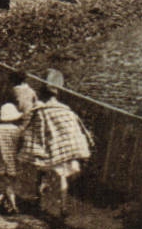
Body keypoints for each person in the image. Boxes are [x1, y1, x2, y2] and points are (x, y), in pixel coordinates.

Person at [17, 86, 94, 220]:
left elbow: (36, 131)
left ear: (44, 97)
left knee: (41, 174)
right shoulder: (67, 110)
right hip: (67, 148)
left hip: (51, 148)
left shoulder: (41, 111)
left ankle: (39, 201)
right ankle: (63, 207)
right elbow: (77, 128)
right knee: (62, 177)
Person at [0, 102, 23, 214]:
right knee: (11, 182)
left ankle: (12, 205)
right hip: (14, 158)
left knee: (7, 182)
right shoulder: (18, 130)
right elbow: (21, 145)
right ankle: (6, 202)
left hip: (1, 158)